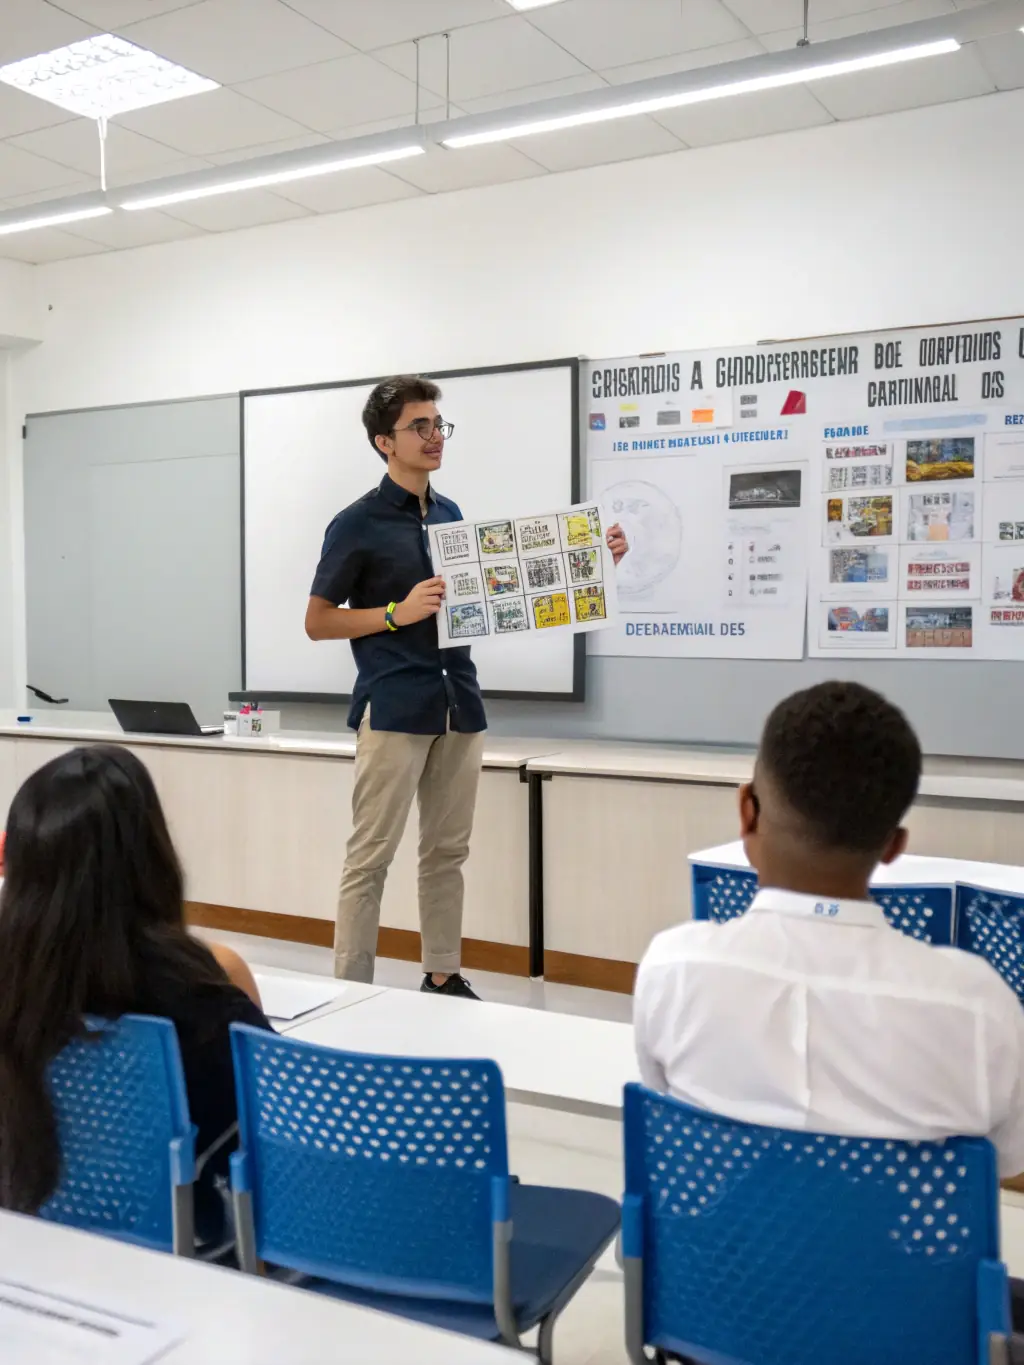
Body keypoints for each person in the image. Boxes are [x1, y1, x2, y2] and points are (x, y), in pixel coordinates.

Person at [306, 374, 628, 993]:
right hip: (395, 706)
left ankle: (443, 973)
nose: (433, 437)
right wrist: (397, 612)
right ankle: (349, 989)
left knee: (447, 854)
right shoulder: (357, 523)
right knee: (370, 859)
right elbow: (318, 620)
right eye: (418, 427)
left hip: (459, 703)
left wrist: (593, 565)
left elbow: (507, 595)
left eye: (437, 426)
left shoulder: (452, 517)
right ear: (383, 442)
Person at [634, 680, 1024, 1181]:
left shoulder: (673, 968)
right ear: (893, 847)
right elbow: (1008, 1161)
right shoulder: (978, 1005)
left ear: (747, 812)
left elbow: (666, 1107)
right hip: (894, 1259)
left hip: (719, 1259)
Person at [0, 745, 272, 1239]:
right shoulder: (211, 981)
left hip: (35, 1243)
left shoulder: (15, 994)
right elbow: (271, 1142)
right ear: (152, 857)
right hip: (191, 1261)